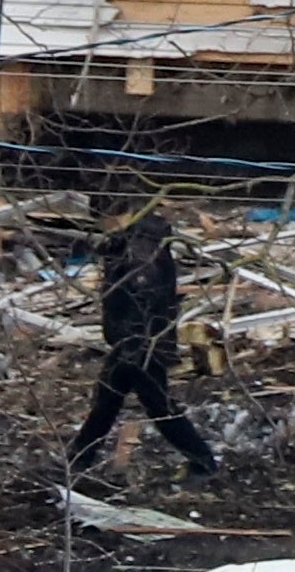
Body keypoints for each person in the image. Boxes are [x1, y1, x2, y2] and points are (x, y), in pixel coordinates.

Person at [67, 194, 223, 482]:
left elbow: (143, 294)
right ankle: (77, 460)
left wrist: (134, 343)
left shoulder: (139, 249)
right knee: (107, 401)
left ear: (110, 216)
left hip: (141, 343)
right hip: (136, 341)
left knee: (158, 405)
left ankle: (204, 462)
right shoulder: (135, 242)